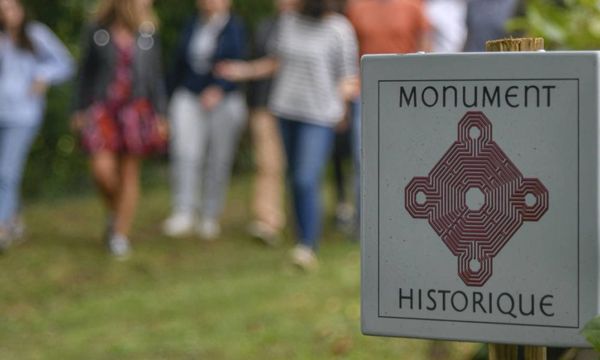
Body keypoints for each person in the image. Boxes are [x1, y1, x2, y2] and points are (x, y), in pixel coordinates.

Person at [218, 0, 359, 270]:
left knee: (307, 177)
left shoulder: (339, 29)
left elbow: (347, 76)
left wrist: (342, 106)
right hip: (285, 110)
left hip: (319, 115)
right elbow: (276, 63)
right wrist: (242, 71)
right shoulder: (289, 23)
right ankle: (301, 238)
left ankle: (308, 244)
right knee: (294, 178)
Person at [71, 0, 168, 257]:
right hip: (103, 109)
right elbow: (84, 74)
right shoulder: (97, 30)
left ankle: (120, 235)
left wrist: (161, 114)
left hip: (136, 110)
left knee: (129, 173)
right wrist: (78, 109)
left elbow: (155, 76)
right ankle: (117, 212)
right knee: (101, 170)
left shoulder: (148, 33)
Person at [162, 0, 247, 240]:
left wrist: (219, 88)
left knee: (218, 158)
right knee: (186, 153)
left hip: (224, 102)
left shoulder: (235, 28)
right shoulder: (191, 24)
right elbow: (178, 64)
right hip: (189, 96)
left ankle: (210, 214)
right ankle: (184, 210)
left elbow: (238, 65)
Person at [345, 0, 430, 235]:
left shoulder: (413, 6)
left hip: (404, 97)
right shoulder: (357, 7)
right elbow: (349, 50)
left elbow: (425, 51)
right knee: (363, 158)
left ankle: (401, 220)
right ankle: (364, 223)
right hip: (365, 94)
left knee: (405, 160)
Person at [0, 0, 73, 251]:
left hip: (23, 115)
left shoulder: (36, 35)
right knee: (4, 172)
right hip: (2, 112)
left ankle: (2, 228)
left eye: (10, 7)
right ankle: (14, 218)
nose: (7, 13)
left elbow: (65, 63)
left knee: (6, 171)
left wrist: (43, 76)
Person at [246, 0, 298, 246]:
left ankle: (298, 220)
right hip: (266, 105)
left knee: (299, 170)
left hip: (300, 108)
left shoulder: (310, 25)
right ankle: (268, 219)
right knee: (268, 164)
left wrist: (244, 71)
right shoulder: (266, 26)